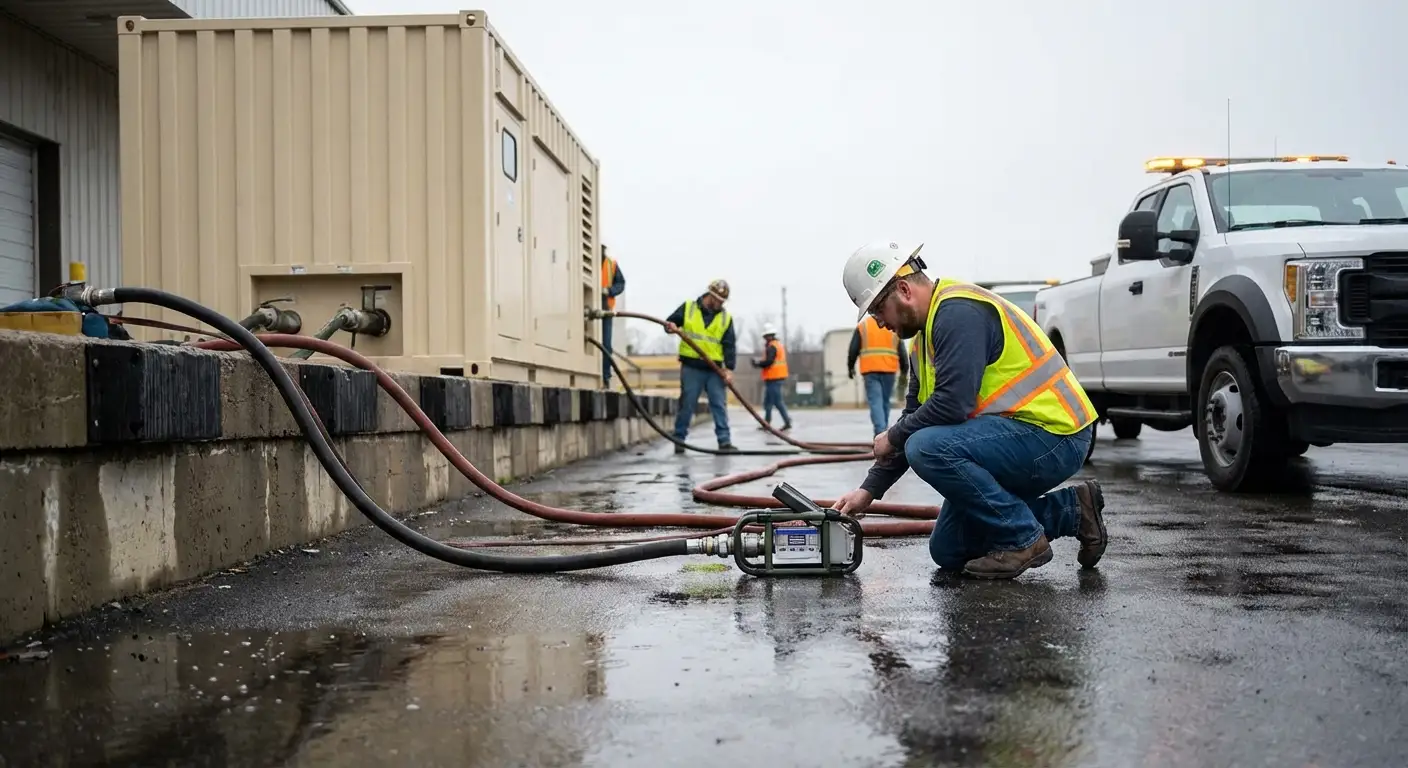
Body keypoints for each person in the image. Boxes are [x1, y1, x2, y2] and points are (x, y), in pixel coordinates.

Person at [831, 241, 1108, 579]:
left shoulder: (958, 312)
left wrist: (893, 436)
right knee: (949, 548)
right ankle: (1073, 511)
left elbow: (951, 405)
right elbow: (914, 419)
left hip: (1055, 435)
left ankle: (1024, 539)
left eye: (877, 311)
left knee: (926, 447)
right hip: (1015, 440)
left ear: (903, 290)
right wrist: (868, 491)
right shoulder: (922, 344)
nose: (879, 323)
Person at [665, 279, 738, 454]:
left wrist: (729, 369)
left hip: (714, 369)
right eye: (718, 300)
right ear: (710, 296)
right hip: (692, 366)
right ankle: (679, 439)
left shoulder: (725, 318)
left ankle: (724, 441)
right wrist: (671, 327)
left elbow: (729, 345)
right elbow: (670, 323)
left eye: (723, 302)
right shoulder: (689, 308)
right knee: (687, 404)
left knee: (719, 404)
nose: (720, 304)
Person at [847, 314, 910, 436]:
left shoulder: (863, 326)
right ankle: (883, 433)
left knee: (876, 402)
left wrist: (850, 367)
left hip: (870, 370)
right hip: (889, 369)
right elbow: (901, 350)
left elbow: (853, 349)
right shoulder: (891, 322)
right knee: (885, 402)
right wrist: (904, 368)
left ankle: (880, 433)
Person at [751, 323, 793, 431]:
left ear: (769, 336)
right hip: (774, 377)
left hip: (774, 377)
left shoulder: (772, 347)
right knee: (768, 402)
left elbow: (769, 361)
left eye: (766, 336)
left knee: (777, 401)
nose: (765, 338)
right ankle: (767, 423)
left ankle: (787, 421)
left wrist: (757, 363)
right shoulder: (777, 345)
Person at [599, 245, 626, 386]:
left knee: (606, 345)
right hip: (586, 308)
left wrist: (608, 291)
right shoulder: (581, 260)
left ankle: (605, 376)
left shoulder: (611, 264)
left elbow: (621, 283)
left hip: (605, 309)